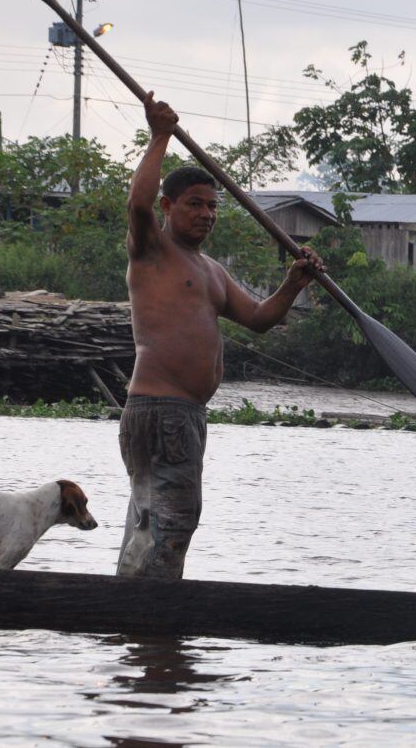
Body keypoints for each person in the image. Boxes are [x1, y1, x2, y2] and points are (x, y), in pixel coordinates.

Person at [117, 93, 325, 579]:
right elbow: (136, 202)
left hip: (181, 413)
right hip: (162, 410)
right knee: (172, 519)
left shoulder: (210, 270)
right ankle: (153, 622)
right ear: (169, 207)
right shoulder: (152, 250)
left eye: (213, 207)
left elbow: (257, 317)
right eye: (195, 205)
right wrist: (160, 136)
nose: (207, 214)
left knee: (154, 520)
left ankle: (133, 605)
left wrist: (294, 283)